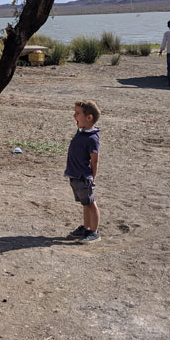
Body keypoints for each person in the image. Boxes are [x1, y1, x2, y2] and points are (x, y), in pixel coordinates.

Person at [65, 100, 101, 244]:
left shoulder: (92, 138)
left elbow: (94, 160)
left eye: (77, 113)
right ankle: (86, 228)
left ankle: (94, 231)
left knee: (91, 203)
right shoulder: (81, 132)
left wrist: (92, 176)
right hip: (75, 175)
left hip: (83, 176)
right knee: (85, 203)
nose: (74, 116)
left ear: (89, 117)